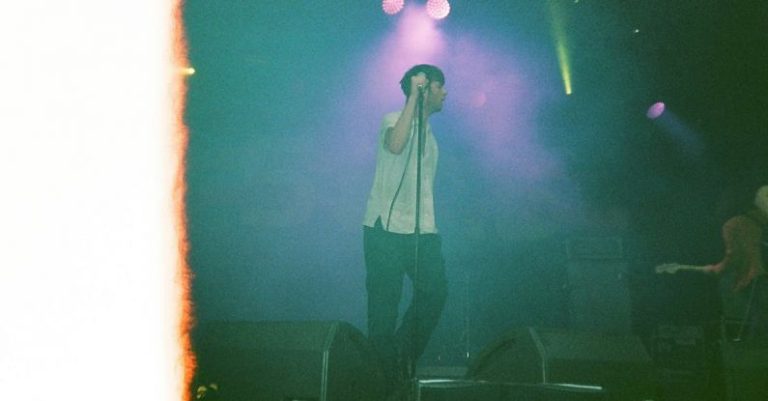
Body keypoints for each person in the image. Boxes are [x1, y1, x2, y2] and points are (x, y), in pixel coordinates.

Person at [362, 64, 448, 396]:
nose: (446, 93)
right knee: (383, 312)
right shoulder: (392, 120)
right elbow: (395, 146)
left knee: (435, 292)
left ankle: (400, 353)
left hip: (422, 231)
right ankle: (383, 384)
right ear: (426, 88)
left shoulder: (431, 136)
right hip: (384, 231)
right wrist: (414, 96)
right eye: (440, 87)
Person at [657, 185, 768, 340]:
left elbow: (733, 258)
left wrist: (717, 269)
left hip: (756, 280)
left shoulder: (734, 224)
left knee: (758, 326)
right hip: (760, 279)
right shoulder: (760, 221)